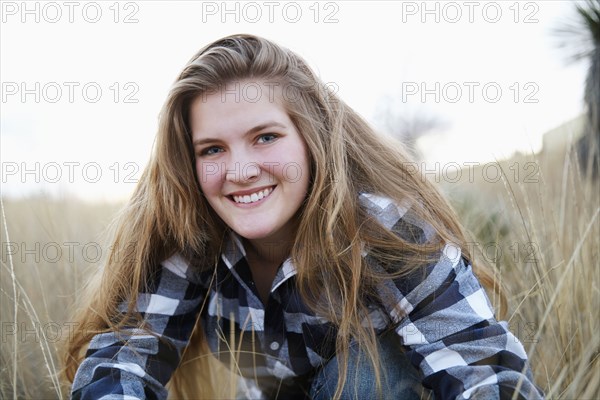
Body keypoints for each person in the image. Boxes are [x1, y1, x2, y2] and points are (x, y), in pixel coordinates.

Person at [64, 34, 545, 399]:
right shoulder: (190, 228)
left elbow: (482, 369)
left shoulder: (381, 227)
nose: (240, 171)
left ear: (309, 136)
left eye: (265, 137)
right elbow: (126, 357)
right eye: (212, 149)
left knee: (364, 371)